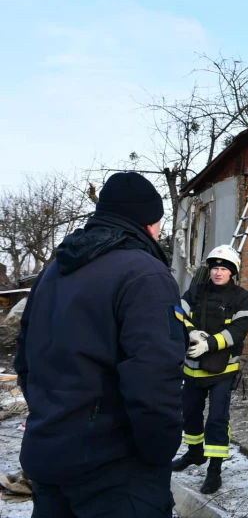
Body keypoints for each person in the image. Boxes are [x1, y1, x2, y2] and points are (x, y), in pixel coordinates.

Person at [15, 171, 184, 517]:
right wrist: (157, 452)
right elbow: (154, 378)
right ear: (150, 223)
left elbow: (26, 360)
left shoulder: (53, 271)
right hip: (114, 473)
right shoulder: (146, 274)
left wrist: (54, 417)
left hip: (49, 456)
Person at [170, 245, 248, 495]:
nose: (218, 273)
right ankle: (195, 453)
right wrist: (190, 332)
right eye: (215, 268)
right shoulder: (195, 292)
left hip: (222, 371)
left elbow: (240, 329)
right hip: (192, 369)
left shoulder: (241, 297)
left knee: (217, 419)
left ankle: (214, 471)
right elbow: (175, 312)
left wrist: (209, 343)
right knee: (190, 414)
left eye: (224, 269)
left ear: (233, 272)